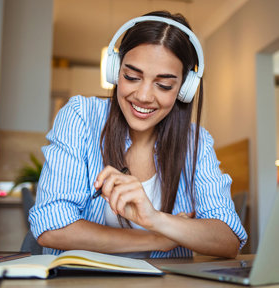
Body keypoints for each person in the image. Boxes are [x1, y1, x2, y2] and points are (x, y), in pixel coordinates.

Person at [29, 10, 247, 258]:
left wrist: (155, 219)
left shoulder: (195, 142)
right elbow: (51, 226)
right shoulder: (81, 116)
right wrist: (153, 239)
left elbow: (228, 239)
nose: (143, 96)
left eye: (163, 85)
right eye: (131, 77)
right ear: (115, 70)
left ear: (185, 89)